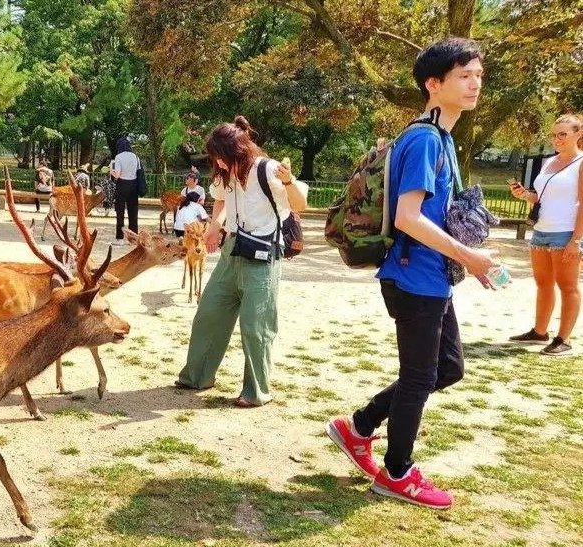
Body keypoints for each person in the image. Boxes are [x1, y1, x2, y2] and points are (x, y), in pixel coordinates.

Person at [325, 38, 497, 510]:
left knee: (448, 368)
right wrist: (469, 255)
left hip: (431, 278)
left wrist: (470, 258)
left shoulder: (442, 137)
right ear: (433, 84)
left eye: (478, 74)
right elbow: (408, 217)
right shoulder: (423, 139)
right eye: (464, 75)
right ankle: (396, 472)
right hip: (412, 278)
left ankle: (358, 427)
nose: (475, 83)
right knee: (420, 376)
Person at [174, 116, 307, 405]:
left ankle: (255, 390)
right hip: (232, 250)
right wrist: (214, 228)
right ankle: (197, 375)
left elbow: (300, 205)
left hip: (262, 256)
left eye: (221, 158)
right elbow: (220, 201)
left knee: (255, 325)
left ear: (237, 152)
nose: (218, 164)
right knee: (209, 313)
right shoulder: (227, 173)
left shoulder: (268, 170)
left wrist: (289, 181)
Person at [508, 114, 582, 355]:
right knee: (543, 284)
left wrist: (576, 240)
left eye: (563, 134)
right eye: (554, 134)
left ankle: (564, 339)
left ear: (578, 134)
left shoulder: (580, 163)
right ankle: (540, 331)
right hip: (541, 230)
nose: (557, 139)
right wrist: (525, 195)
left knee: (567, 286)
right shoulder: (549, 162)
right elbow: (541, 197)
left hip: (566, 233)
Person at [109, 138, 141, 245]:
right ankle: (133, 238)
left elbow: (117, 175)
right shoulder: (135, 156)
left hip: (122, 185)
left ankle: (120, 238)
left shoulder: (118, 157)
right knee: (133, 213)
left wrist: (111, 170)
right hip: (134, 186)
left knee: (120, 213)